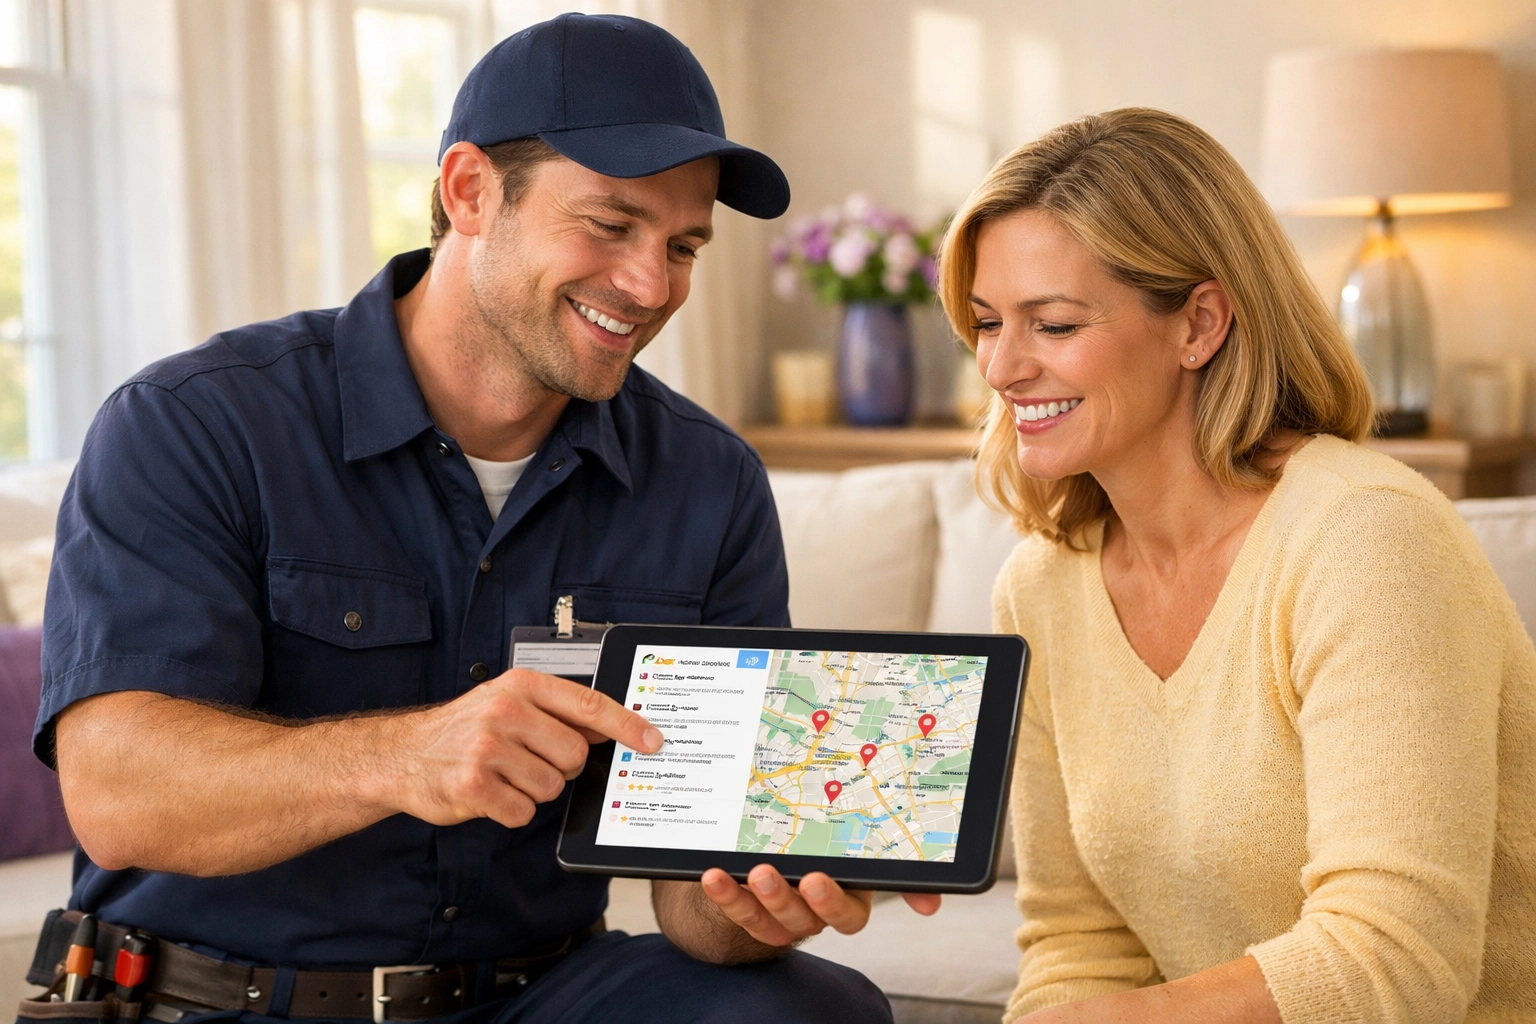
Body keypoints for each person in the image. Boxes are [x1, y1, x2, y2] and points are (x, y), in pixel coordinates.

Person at [35, 15, 930, 1024]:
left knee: (811, 1008)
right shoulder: (197, 424)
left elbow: (694, 902)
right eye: (610, 224)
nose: (651, 286)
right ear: (469, 191)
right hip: (220, 997)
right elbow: (117, 795)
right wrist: (408, 755)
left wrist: (756, 901)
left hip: (536, 992)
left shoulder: (707, 480)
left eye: (683, 245)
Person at [937, 107, 1536, 1024]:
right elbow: (1078, 938)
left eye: (1052, 325)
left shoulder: (1365, 539)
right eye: (986, 322)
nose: (1003, 366)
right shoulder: (1042, 586)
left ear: (1199, 325)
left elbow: (1397, 964)